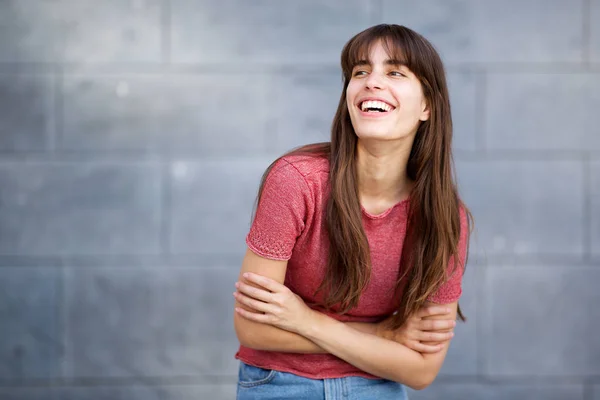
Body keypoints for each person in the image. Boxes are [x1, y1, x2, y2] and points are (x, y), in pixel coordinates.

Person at [232, 23, 472, 399]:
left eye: (394, 72)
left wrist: (303, 320)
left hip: (379, 388)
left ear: (427, 106)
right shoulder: (297, 180)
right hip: (280, 384)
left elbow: (422, 368)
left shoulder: (445, 217)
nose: (372, 82)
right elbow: (252, 328)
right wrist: (382, 333)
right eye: (360, 71)